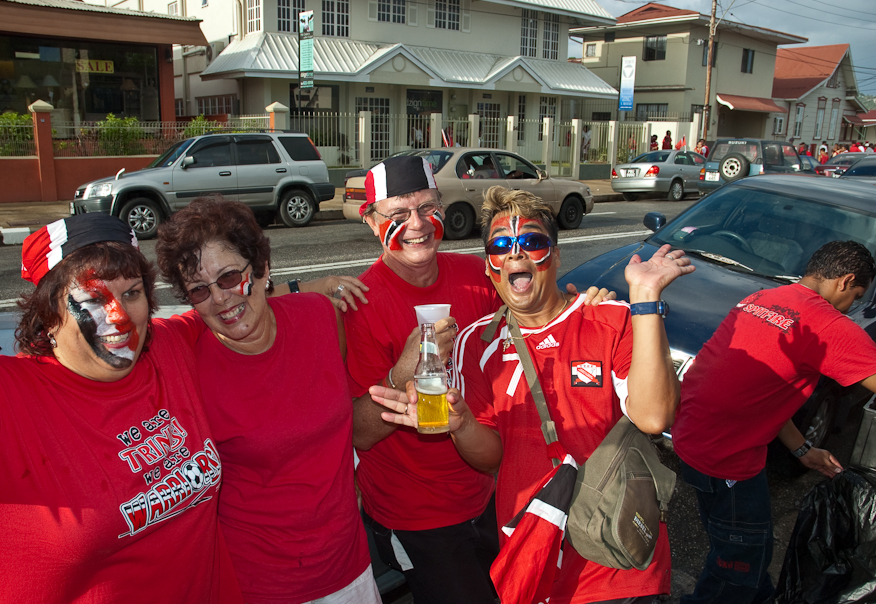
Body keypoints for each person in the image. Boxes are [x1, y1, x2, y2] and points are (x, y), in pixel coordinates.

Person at [372, 186, 694, 603]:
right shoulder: (476, 343)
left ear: (556, 256)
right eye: (500, 246)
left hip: (613, 558)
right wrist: (461, 425)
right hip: (529, 556)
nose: (515, 253)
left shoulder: (609, 319)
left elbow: (655, 417)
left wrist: (646, 300)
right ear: (490, 268)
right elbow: (491, 458)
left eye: (532, 242)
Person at [346, 156, 607, 604]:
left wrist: (587, 309)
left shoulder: (477, 276)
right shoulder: (361, 305)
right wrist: (403, 371)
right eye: (398, 214)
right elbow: (359, 433)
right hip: (418, 514)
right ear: (372, 222)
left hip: (494, 488)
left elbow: (540, 318)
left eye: (427, 207)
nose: (417, 224)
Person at [0, 213, 242, 603]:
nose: (120, 318)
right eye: (94, 299)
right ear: (47, 314)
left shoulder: (168, 348)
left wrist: (311, 288)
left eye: (132, 293)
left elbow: (238, 307)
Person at [155, 198, 379, 604]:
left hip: (348, 565)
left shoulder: (320, 316)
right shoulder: (191, 363)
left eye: (228, 277)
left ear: (261, 269)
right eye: (199, 290)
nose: (219, 299)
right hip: (261, 582)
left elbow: (341, 424)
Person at [671, 240, 876, 604]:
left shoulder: (764, 298)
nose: (853, 306)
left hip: (691, 441)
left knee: (746, 544)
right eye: (856, 296)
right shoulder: (828, 325)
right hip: (727, 460)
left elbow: (761, 392)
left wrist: (802, 449)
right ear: (845, 281)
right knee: (738, 563)